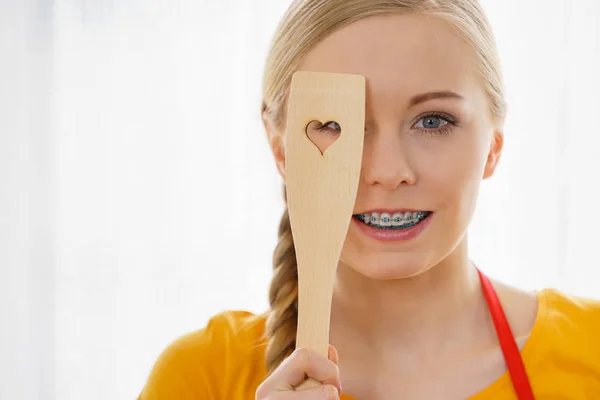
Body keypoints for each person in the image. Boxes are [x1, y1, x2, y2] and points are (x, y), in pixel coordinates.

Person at [137, 0, 600, 399]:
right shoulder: (201, 378)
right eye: (335, 125)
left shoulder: (590, 351)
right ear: (282, 151)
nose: (387, 171)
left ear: (493, 146)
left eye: (433, 121)